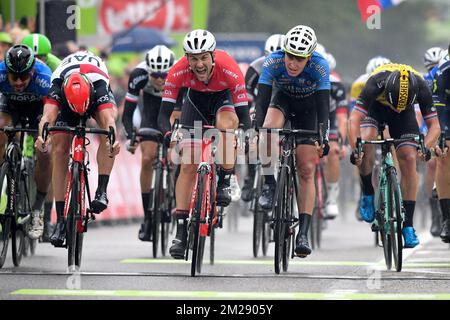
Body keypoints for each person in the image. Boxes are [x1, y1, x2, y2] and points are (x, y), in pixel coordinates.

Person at [157, 29, 251, 259]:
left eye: (203, 58)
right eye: (193, 58)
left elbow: (244, 115)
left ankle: (226, 179)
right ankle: (180, 231)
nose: (199, 64)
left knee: (227, 126)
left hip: (224, 100)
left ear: (213, 56)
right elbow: (163, 115)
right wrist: (170, 134)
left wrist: (247, 134)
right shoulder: (178, 70)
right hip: (195, 103)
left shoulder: (229, 68)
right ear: (187, 58)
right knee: (188, 163)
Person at [348, 63, 443, 248]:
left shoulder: (421, 86)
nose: (397, 109)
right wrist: (356, 149)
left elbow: (435, 126)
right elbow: (354, 120)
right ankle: (367, 192)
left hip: (404, 117)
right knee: (366, 140)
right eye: (395, 105)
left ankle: (408, 225)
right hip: (376, 108)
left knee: (409, 158)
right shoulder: (376, 82)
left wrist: (425, 147)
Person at [256, 25, 330, 257]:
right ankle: (269, 183)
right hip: (283, 102)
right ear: (284, 52)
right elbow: (262, 101)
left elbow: (323, 106)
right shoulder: (273, 62)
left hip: (310, 110)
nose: (293, 63)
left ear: (309, 56)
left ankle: (304, 233)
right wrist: (256, 131)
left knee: (307, 169)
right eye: (290, 56)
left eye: (299, 59)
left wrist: (323, 136)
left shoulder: (320, 65)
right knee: (267, 129)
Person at [36, 50, 120, 247]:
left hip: (92, 90)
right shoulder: (56, 86)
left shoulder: (99, 86)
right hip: (67, 100)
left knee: (107, 137)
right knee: (59, 150)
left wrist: (113, 141)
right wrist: (42, 137)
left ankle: (101, 190)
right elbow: (47, 118)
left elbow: (109, 121)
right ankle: (61, 221)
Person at [122, 45, 178, 242]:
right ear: (148, 70)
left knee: (175, 159)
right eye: (155, 74)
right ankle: (147, 217)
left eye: (164, 74)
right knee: (147, 159)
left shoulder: (180, 75)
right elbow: (127, 114)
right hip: (151, 113)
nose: (160, 79)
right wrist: (131, 135)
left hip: (174, 112)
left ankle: (175, 199)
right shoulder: (138, 75)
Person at [0, 44, 53, 239]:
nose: (20, 82)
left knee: (45, 150)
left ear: (32, 71)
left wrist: (42, 138)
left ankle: (37, 210)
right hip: (10, 105)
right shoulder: (0, 73)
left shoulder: (44, 78)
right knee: (1, 130)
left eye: (24, 77)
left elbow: (49, 115)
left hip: (38, 110)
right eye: (14, 77)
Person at [22, 33, 62, 242]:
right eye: (35, 56)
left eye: (43, 57)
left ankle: (45, 219)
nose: (39, 61)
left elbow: (58, 103)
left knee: (48, 157)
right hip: (22, 101)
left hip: (46, 106)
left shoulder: (55, 66)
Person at [241, 33, 285, 201]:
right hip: (260, 106)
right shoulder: (255, 68)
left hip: (282, 108)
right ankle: (250, 176)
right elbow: (246, 98)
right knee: (252, 139)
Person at [422, 47, 446, 237]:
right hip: (431, 117)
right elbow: (420, 113)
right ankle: (437, 215)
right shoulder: (428, 79)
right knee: (432, 161)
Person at [322, 52, 348, 219]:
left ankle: (331, 197)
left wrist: (342, 142)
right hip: (309, 116)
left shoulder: (337, 86)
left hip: (329, 119)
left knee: (333, 151)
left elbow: (342, 117)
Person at [433, 46, 450, 243]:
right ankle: (447, 218)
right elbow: (439, 107)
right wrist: (442, 135)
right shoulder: (444, 70)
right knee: (444, 155)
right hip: (446, 107)